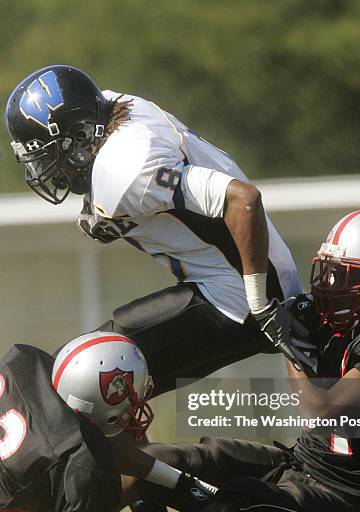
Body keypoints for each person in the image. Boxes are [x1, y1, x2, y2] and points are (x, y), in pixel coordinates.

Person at [92, 209, 360, 512]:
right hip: (297, 464)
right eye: (329, 271)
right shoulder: (334, 319)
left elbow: (320, 410)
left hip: (339, 508)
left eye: (348, 275)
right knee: (154, 460)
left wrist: (288, 342)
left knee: (237, 501)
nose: (331, 284)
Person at [5, 64, 313, 399]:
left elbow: (243, 200)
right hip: (237, 284)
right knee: (108, 396)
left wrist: (260, 304)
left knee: (79, 374)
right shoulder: (114, 107)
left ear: (80, 139)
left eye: (50, 155)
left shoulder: (127, 172)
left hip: (238, 299)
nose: (49, 170)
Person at [0, 332, 216, 512]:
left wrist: (179, 482)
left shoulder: (26, 361)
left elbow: (91, 443)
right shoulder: (81, 460)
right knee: (86, 503)